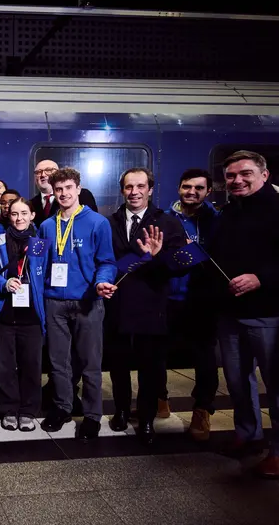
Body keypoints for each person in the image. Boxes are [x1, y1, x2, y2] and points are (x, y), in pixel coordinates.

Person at [207, 150, 279, 478]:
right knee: (237, 380)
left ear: (264, 175)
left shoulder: (277, 209)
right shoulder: (228, 212)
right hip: (231, 313)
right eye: (231, 176)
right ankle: (249, 434)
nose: (237, 180)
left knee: (276, 384)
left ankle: (278, 452)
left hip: (269, 313)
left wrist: (260, 278)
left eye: (245, 174)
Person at [106, 167, 186, 444]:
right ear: (122, 190)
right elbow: (107, 262)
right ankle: (120, 410)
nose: (134, 192)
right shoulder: (111, 221)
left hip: (152, 307)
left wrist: (156, 256)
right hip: (117, 307)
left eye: (140, 186)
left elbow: (179, 265)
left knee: (150, 368)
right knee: (118, 365)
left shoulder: (168, 222)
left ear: (150, 190)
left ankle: (147, 418)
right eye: (129, 187)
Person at [38, 169, 117, 440]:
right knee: (58, 362)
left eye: (69, 188)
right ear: (53, 191)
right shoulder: (47, 226)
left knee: (90, 362)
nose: (64, 194)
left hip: (87, 302)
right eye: (58, 189)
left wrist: (101, 282)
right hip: (55, 303)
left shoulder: (97, 223)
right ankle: (62, 407)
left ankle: (93, 415)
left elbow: (106, 261)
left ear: (79, 188)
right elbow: (41, 266)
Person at [164, 169, 219, 441]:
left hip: (201, 300)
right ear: (178, 188)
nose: (192, 192)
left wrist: (191, 252)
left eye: (199, 188)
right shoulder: (164, 219)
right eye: (187, 187)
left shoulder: (217, 221)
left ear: (208, 191)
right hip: (168, 297)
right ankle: (159, 402)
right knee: (157, 353)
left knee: (205, 358)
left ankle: (202, 409)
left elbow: (219, 261)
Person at [0, 198, 46, 432]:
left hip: (32, 315)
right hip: (4, 313)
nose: (19, 218)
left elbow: (47, 274)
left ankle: (28, 410)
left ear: (32, 215)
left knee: (31, 365)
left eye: (24, 213)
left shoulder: (41, 243)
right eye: (14, 214)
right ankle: (9, 409)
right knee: (4, 366)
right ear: (8, 216)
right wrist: (3, 283)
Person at [31, 160, 98, 229]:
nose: (43, 175)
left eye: (48, 170)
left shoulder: (82, 195)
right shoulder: (31, 203)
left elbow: (93, 223)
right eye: (38, 172)